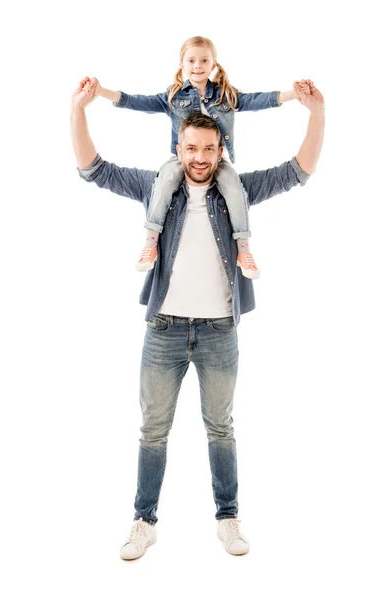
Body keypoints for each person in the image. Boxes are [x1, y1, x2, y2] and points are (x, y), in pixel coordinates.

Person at [70, 76, 325, 559]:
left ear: (221, 147)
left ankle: (228, 518)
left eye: (209, 147)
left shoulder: (238, 192)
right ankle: (144, 521)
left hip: (219, 332)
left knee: (221, 428)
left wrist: (317, 115)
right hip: (163, 330)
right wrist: (78, 109)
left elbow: (297, 171)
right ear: (179, 148)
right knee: (153, 431)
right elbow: (94, 169)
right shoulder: (155, 188)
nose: (200, 157)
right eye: (192, 148)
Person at [85, 36, 311, 278]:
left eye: (204, 60)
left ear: (213, 64)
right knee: (163, 183)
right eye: (191, 60)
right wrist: (100, 92)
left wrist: (293, 94)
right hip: (182, 160)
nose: (197, 65)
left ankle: (244, 250)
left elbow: (258, 100)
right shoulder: (173, 96)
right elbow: (137, 102)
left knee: (235, 190)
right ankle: (150, 242)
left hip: (216, 160)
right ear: (182, 65)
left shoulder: (225, 94)